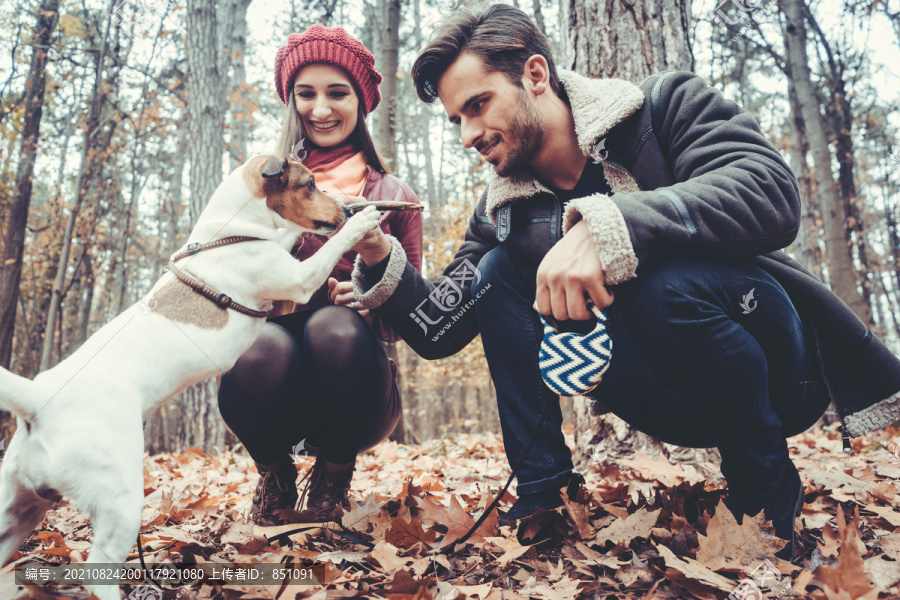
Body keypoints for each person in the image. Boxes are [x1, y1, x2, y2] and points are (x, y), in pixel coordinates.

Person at [346, 4, 900, 560]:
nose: (468, 136)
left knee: (665, 281)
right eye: (455, 120)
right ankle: (544, 499)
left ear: (536, 76)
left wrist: (611, 224)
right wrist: (376, 251)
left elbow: (770, 192)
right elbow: (440, 328)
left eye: (478, 105)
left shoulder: (662, 108)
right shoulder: (504, 209)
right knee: (494, 272)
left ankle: (764, 499)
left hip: (777, 369)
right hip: (661, 395)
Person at [217, 24, 423, 526]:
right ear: (291, 101)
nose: (321, 108)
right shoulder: (261, 187)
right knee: (259, 346)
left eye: (338, 93)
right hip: (269, 382)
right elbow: (224, 281)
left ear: (361, 101)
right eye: (306, 94)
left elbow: (414, 320)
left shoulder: (391, 193)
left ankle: (332, 481)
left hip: (358, 385)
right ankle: (275, 475)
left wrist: (371, 293)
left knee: (332, 327)